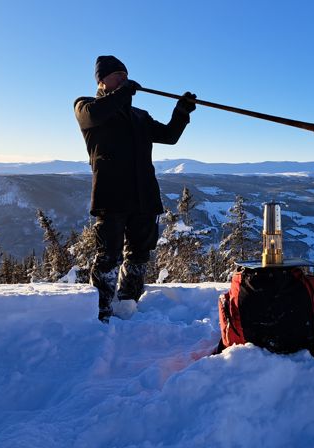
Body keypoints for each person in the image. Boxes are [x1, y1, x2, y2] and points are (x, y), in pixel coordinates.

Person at [74, 55, 196, 322]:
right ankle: (102, 310)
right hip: (112, 196)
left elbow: (169, 136)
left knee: (139, 255)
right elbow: (97, 114)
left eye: (125, 75)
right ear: (101, 81)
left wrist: (182, 111)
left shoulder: (139, 116)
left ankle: (128, 305)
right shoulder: (86, 107)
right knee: (108, 257)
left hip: (144, 197)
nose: (124, 79)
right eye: (117, 75)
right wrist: (123, 93)